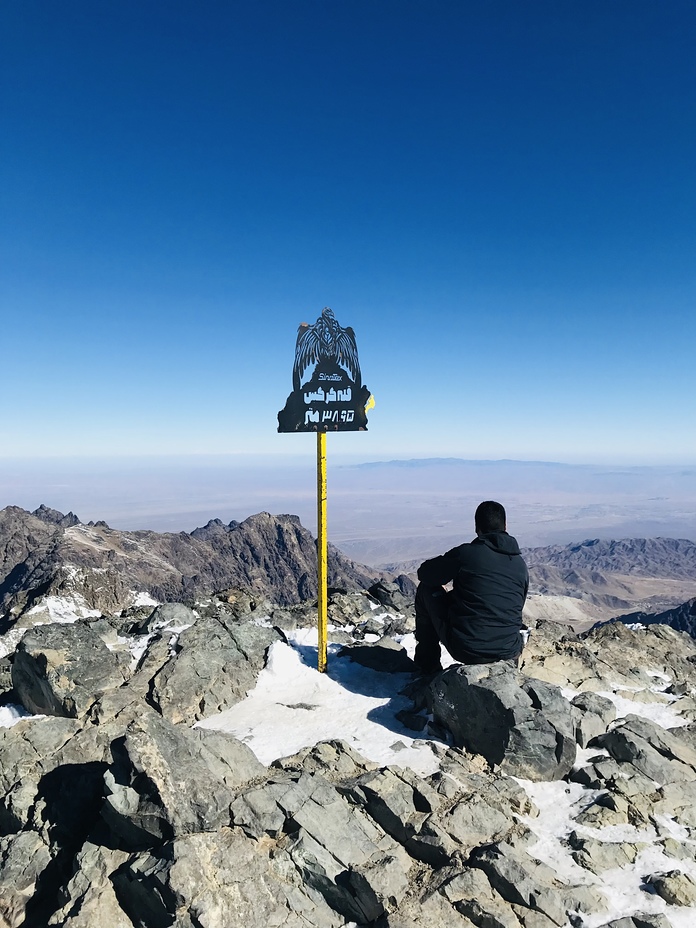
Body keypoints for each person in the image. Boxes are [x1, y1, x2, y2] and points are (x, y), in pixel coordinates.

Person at [413, 500, 529, 673]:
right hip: (509, 651)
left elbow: (426, 574)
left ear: (476, 527)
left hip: (468, 649)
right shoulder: (520, 565)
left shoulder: (466, 554)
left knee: (426, 589)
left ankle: (427, 667)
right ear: (505, 525)